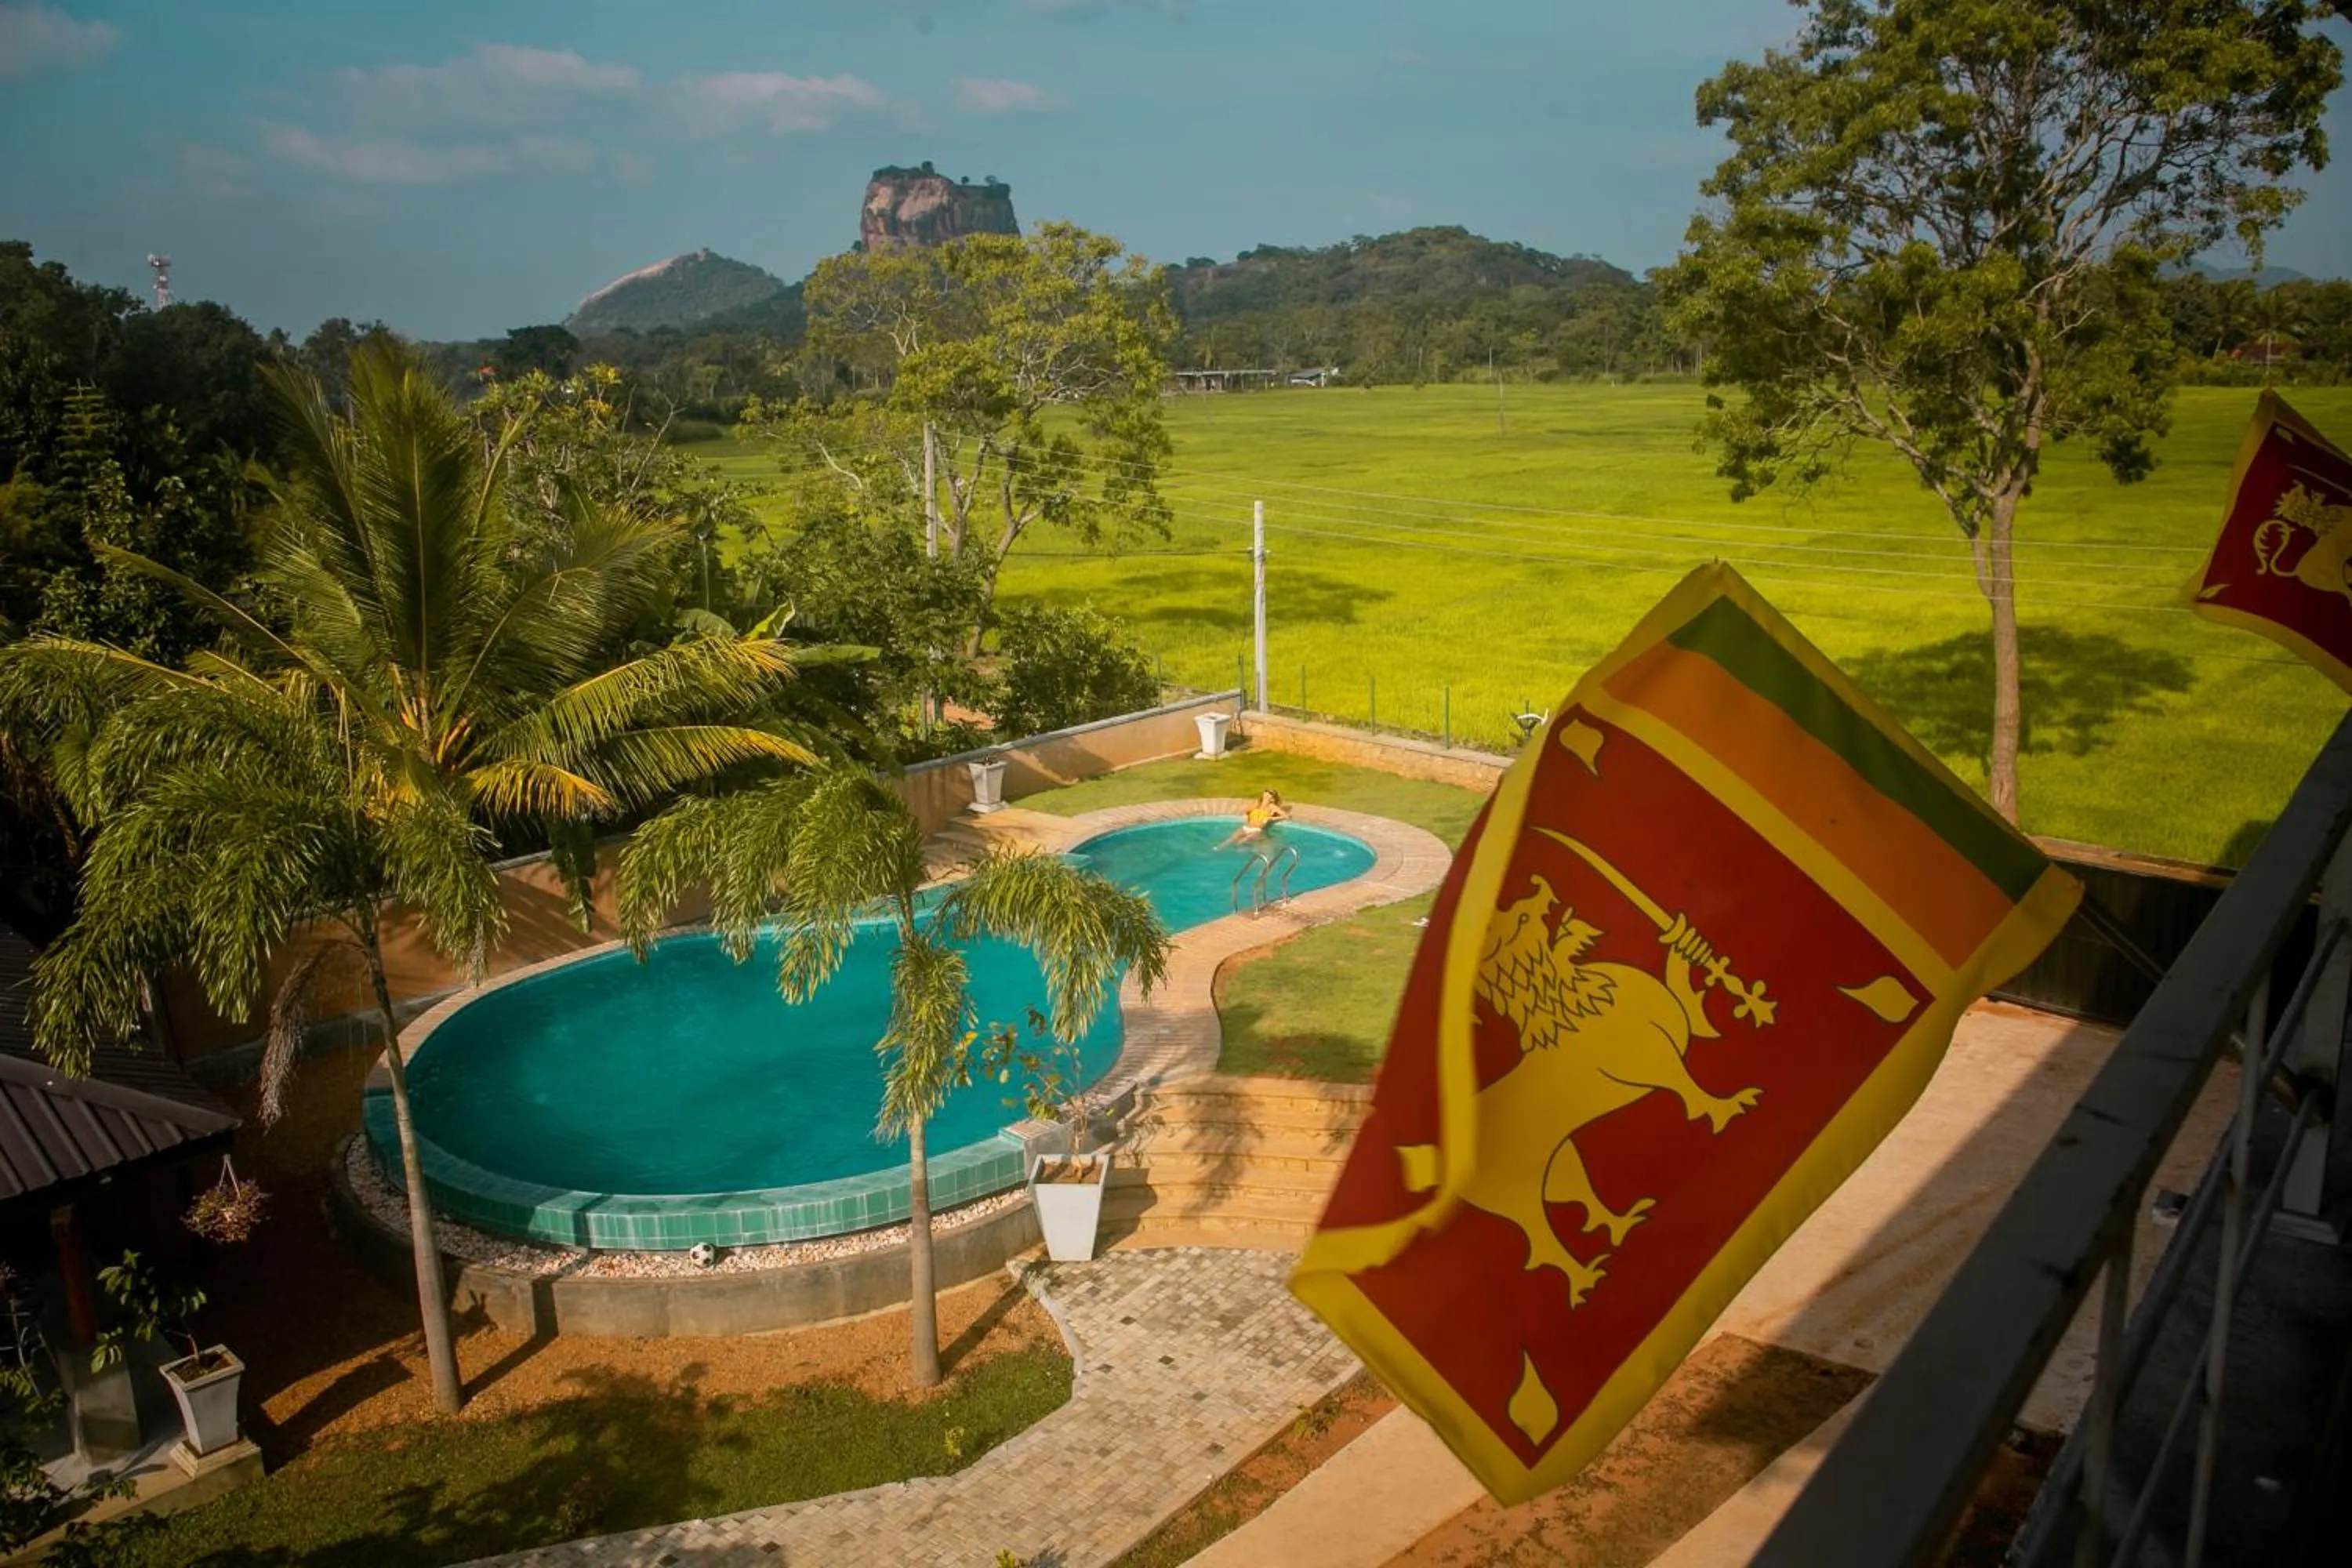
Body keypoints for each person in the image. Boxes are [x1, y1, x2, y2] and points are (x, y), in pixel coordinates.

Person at [1219, 789, 1291, 850]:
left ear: (1272, 799)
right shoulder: (1257, 804)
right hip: (1245, 827)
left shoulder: (1272, 807)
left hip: (1256, 830)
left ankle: (1238, 855)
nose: (1267, 793)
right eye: (1266, 791)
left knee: (1240, 843)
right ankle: (1216, 850)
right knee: (1230, 840)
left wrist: (1271, 818)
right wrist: (1250, 811)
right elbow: (1246, 811)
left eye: (1270, 793)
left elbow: (1286, 816)